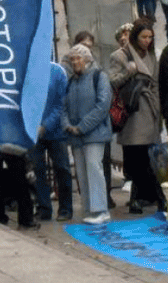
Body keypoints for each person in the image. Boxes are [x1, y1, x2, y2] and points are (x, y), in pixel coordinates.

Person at [108, 20, 165, 214]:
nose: (147, 41)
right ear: (135, 37)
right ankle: (157, 197)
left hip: (149, 110)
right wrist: (128, 72)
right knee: (138, 158)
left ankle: (139, 199)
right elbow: (112, 82)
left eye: (150, 37)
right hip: (132, 111)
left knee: (144, 157)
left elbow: (156, 84)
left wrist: (157, 109)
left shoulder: (151, 56)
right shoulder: (120, 56)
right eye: (144, 37)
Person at [65, 45, 113, 225]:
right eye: (72, 59)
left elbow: (102, 106)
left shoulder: (99, 76)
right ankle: (89, 209)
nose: (75, 62)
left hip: (94, 134)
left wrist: (82, 127)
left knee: (94, 169)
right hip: (76, 135)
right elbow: (63, 107)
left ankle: (101, 209)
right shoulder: (71, 81)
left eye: (78, 58)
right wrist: (68, 126)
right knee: (82, 173)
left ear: (87, 59)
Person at [32, 62, 74, 222]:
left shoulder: (58, 71)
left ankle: (65, 208)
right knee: (37, 170)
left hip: (56, 131)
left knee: (62, 169)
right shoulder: (28, 70)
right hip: (35, 131)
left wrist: (46, 125)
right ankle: (44, 208)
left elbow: (62, 103)